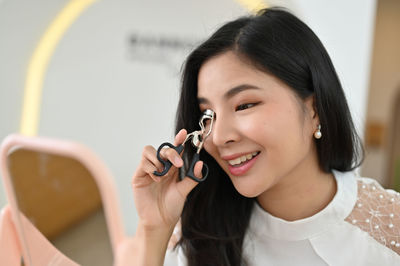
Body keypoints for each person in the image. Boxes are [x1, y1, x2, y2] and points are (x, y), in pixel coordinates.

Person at [128, 7, 400, 266]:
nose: (219, 137)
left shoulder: (388, 235)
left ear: (315, 110)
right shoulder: (197, 231)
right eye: (207, 115)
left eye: (244, 105)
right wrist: (154, 228)